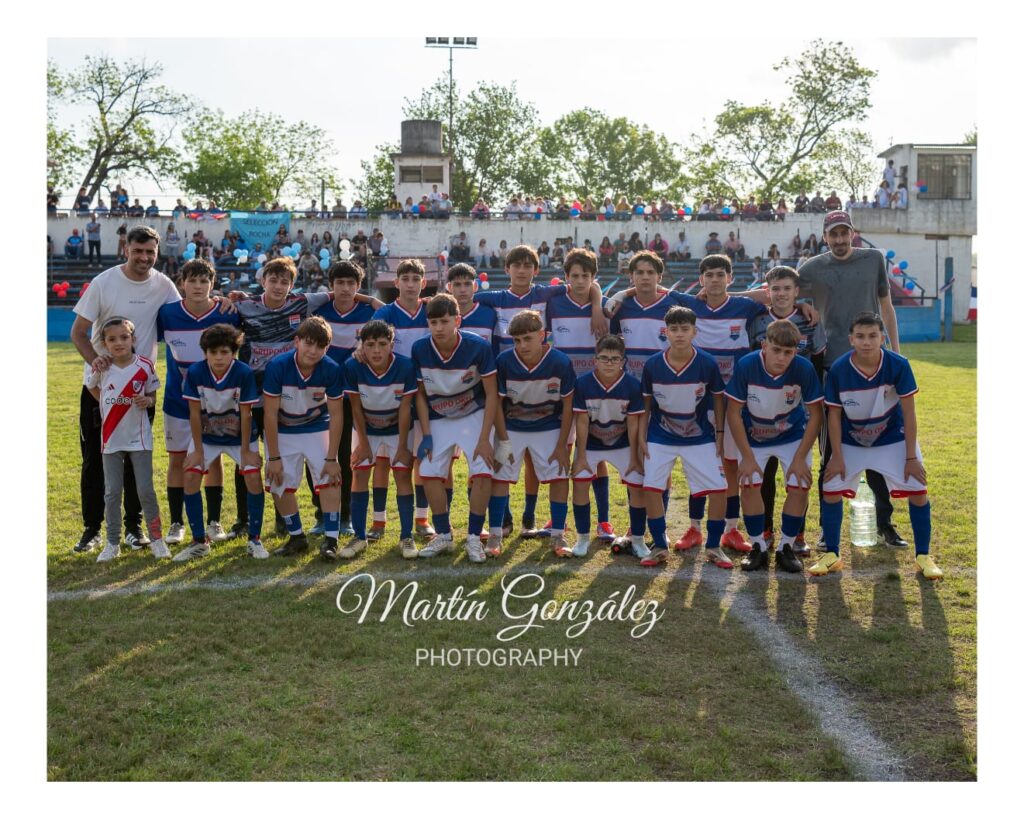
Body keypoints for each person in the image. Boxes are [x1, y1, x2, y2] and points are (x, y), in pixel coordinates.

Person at [70, 226, 190, 554]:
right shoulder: (104, 283)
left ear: (157, 251)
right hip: (99, 392)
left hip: (140, 392)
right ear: (126, 249)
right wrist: (98, 367)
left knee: (137, 460)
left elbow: (184, 315)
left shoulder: (164, 285)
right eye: (138, 251)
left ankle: (135, 528)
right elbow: (79, 332)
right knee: (96, 459)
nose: (144, 257)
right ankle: (93, 529)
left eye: (150, 251)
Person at [795, 209, 906, 549]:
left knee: (878, 443)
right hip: (832, 367)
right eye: (833, 234)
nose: (840, 240)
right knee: (831, 449)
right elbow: (782, 292)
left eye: (845, 233)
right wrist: (802, 303)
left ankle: (884, 524)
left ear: (853, 234)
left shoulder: (873, 260)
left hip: (875, 365)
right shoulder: (810, 268)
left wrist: (897, 354)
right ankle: (828, 534)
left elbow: (887, 307)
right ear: (824, 237)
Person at [812, 312, 941, 579]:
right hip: (851, 441)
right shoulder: (839, 369)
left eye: (873, 336)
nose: (866, 342)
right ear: (851, 339)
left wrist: (910, 457)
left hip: (892, 438)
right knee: (831, 488)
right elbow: (833, 416)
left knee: (918, 488)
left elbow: (909, 413)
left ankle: (924, 556)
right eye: (860, 336)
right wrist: (835, 455)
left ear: (883, 337)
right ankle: (832, 554)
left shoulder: (898, 365)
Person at [636, 306, 732, 569]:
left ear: (694, 332)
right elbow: (646, 404)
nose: (679, 334)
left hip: (699, 435)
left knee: (719, 490)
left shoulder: (707, 363)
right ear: (665, 332)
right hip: (660, 433)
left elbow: (718, 400)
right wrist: (643, 435)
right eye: (674, 329)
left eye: (685, 329)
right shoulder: (653, 364)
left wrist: (720, 432)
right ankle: (658, 544)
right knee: (652, 488)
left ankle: (713, 546)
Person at [726, 319, 825, 573]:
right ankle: (758, 545)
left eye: (788, 352)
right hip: (753, 436)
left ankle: (786, 547)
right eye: (776, 350)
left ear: (796, 351)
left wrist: (801, 457)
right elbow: (733, 412)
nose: (781, 357)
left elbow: (816, 414)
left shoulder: (803, 368)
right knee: (748, 483)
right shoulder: (747, 365)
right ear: (764, 345)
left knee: (801, 484)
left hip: (791, 436)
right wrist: (747, 458)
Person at [157, 259, 240, 546]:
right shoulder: (167, 314)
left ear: (212, 284)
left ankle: (214, 520)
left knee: (212, 458)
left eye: (204, 281)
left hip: (216, 404)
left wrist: (231, 299)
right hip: (177, 401)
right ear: (182, 283)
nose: (198, 286)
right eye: (192, 280)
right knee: (177, 459)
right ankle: (177, 522)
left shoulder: (227, 313)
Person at [412, 294, 499, 562]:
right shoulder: (420, 348)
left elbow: (492, 393)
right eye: (433, 322)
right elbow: (420, 395)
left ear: (457, 320)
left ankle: (474, 537)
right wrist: (426, 434)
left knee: (483, 471)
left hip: (473, 413)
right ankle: (444, 535)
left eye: (445, 321)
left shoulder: (478, 346)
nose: (439, 328)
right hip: (438, 416)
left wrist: (485, 438)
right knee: (428, 473)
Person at [748, 266, 827, 553]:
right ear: (767, 291)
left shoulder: (810, 320)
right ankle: (766, 528)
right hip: (763, 406)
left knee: (799, 474)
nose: (781, 294)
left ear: (797, 291)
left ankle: (798, 534)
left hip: (799, 408)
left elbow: (817, 362)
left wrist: (812, 403)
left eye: (787, 288)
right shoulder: (757, 320)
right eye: (776, 288)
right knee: (765, 473)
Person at [171, 323, 267, 560]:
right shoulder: (195, 373)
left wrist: (245, 452)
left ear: (233, 352)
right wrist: (197, 450)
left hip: (240, 436)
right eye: (213, 352)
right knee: (191, 474)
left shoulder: (243, 372)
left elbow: (246, 414)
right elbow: (194, 413)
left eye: (224, 352)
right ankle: (199, 541)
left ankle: (255, 539)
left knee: (253, 475)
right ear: (205, 353)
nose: (219, 357)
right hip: (207, 436)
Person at [491, 310, 576, 557]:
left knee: (559, 475)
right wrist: (503, 439)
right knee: (500, 476)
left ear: (543, 335)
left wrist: (562, 444)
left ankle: (558, 534)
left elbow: (568, 405)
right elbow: (497, 403)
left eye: (528, 338)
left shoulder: (560, 362)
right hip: (512, 426)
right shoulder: (505, 361)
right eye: (517, 340)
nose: (522, 345)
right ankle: (495, 535)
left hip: (549, 425)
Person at [86, 317, 169, 562]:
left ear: (133, 339)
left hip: (139, 439)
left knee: (145, 490)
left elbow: (152, 394)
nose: (119, 343)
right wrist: (105, 401)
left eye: (124, 337)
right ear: (104, 343)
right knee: (112, 493)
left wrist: (148, 401)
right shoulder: (101, 367)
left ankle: (157, 540)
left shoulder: (144, 365)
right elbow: (92, 388)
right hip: (110, 439)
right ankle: (112, 543)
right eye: (112, 339)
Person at [262, 317, 346, 558]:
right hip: (283, 430)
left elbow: (337, 415)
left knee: (331, 478)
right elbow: (269, 414)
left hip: (317, 427)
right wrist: (274, 455)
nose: (313, 351)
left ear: (327, 348)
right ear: (296, 342)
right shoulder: (278, 366)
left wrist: (332, 457)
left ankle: (331, 539)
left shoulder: (331, 368)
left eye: (320, 346)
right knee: (278, 481)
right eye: (308, 344)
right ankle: (296, 537)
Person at [343, 320, 418, 559]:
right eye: (370, 344)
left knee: (403, 475)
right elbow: (356, 408)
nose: (376, 350)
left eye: (382, 344)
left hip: (399, 430)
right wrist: (363, 444)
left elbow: (406, 409)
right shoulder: (352, 366)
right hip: (367, 429)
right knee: (359, 473)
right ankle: (359, 536)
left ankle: (407, 537)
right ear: (362, 346)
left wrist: (404, 446)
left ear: (392, 345)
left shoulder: (405, 367)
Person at [313, 260, 377, 537]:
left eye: (352, 283)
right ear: (331, 286)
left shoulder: (368, 311)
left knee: (346, 455)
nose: (346, 288)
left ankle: (346, 515)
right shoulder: (319, 310)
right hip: (319, 392)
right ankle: (321, 514)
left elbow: (388, 311)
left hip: (352, 393)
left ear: (359, 286)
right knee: (318, 453)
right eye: (340, 283)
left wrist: (370, 299)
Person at [570, 334, 646, 557]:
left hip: (622, 442)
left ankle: (638, 539)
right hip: (592, 443)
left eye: (615, 358)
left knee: (637, 485)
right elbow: (582, 421)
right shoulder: (583, 383)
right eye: (604, 358)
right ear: (595, 359)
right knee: (580, 484)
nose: (609, 363)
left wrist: (634, 456)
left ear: (623, 361)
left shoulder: (632, 385)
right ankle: (582, 538)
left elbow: (633, 422)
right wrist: (581, 455)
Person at [446, 263, 499, 350]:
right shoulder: (442, 314)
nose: (463, 290)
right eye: (457, 284)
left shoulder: (490, 314)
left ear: (475, 286)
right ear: (449, 287)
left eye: (467, 284)